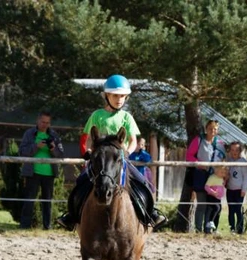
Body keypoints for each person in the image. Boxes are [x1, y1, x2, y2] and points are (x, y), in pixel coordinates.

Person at [57, 74, 166, 231]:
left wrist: (126, 152)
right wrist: (89, 150)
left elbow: (133, 140)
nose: (119, 99)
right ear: (106, 95)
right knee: (80, 183)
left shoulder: (127, 117)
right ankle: (71, 217)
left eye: (122, 96)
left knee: (142, 181)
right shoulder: (97, 115)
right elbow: (88, 138)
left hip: (119, 161)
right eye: (115, 95)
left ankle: (151, 214)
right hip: (100, 161)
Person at [19, 111, 64, 229]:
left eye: (47, 122)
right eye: (43, 122)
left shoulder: (54, 135)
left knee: (47, 201)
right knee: (29, 200)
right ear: (37, 121)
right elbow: (22, 152)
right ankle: (25, 225)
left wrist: (53, 149)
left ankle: (47, 226)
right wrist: (36, 146)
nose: (45, 125)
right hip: (32, 172)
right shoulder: (29, 134)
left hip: (49, 173)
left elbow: (60, 154)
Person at [186, 119, 226, 232]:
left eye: (215, 129)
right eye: (210, 129)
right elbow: (189, 156)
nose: (212, 131)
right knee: (202, 203)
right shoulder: (199, 140)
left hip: (215, 177)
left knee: (214, 205)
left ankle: (210, 229)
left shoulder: (220, 143)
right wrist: (199, 164)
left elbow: (223, 159)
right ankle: (198, 229)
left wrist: (222, 173)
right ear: (206, 129)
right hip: (201, 175)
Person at [226, 142, 247, 234]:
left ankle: (240, 229)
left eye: (236, 150)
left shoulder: (243, 162)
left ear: (240, 151)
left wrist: (244, 189)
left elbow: (246, 177)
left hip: (239, 190)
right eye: (232, 150)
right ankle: (231, 229)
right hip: (230, 189)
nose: (234, 152)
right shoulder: (229, 161)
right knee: (231, 210)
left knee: (238, 210)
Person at [204, 166, 228, 234]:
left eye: (224, 173)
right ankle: (210, 222)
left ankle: (215, 228)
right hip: (212, 196)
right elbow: (206, 187)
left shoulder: (222, 179)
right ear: (216, 171)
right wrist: (212, 192)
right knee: (216, 208)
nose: (223, 174)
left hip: (218, 198)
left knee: (219, 210)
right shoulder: (212, 177)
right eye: (221, 172)